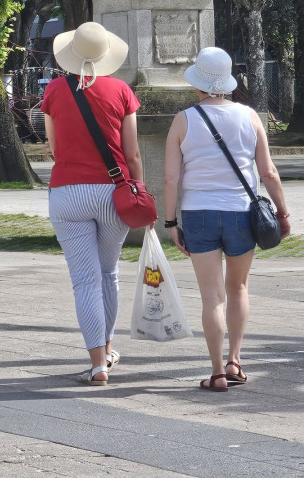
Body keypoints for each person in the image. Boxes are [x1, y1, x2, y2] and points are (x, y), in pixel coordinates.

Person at [163, 47, 290, 392]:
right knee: (238, 288)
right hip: (241, 214)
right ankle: (236, 359)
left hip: (198, 214)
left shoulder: (183, 119)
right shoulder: (249, 116)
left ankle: (217, 371)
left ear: (198, 83)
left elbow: (171, 179)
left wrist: (171, 222)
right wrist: (282, 212)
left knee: (212, 297)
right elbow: (268, 172)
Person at [41, 22, 145, 385]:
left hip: (68, 192)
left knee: (84, 281)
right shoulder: (121, 91)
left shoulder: (54, 90)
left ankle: (98, 364)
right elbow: (131, 152)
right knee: (108, 273)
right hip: (112, 192)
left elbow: (54, 150)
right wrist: (139, 188)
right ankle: (110, 346)